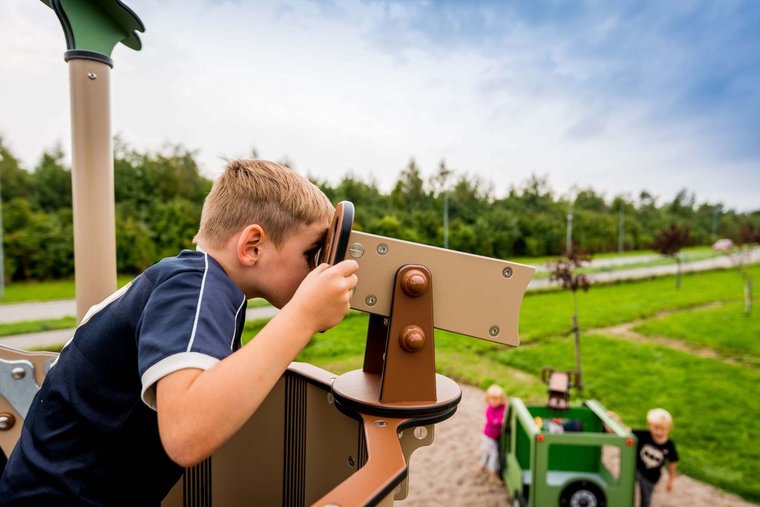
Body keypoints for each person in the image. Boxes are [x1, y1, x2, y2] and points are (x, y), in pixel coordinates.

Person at [0, 160, 359, 506]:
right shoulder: (196, 285)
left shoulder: (195, 282)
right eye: (313, 253)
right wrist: (303, 316)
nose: (319, 270)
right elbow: (187, 435)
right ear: (252, 246)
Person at [633, 408, 679, 507]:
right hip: (637, 469)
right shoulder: (644, 435)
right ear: (648, 425)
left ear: (669, 429)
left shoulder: (669, 445)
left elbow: (672, 462)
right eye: (656, 428)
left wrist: (671, 479)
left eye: (663, 429)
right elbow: (625, 430)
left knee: (646, 497)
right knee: (626, 486)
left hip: (651, 476)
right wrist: (615, 419)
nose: (659, 432)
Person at [479, 384, 507, 481]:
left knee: (487, 453)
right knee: (493, 454)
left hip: (495, 437)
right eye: (492, 399)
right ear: (488, 399)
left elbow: (506, 410)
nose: (494, 401)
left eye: (497, 399)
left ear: (501, 399)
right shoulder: (489, 410)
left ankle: (482, 466)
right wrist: (502, 421)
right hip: (488, 437)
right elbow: (493, 421)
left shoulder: (503, 407)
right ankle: (493, 473)